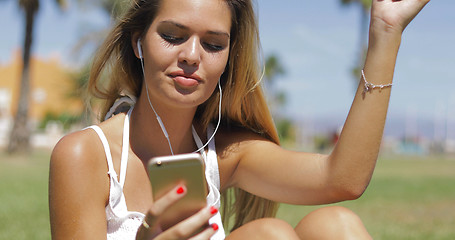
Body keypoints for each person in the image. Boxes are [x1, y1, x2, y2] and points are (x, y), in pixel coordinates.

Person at [49, 0, 430, 239]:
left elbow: (341, 179)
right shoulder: (86, 155)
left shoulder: (226, 154)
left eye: (214, 44)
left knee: (335, 226)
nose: (192, 55)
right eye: (172, 36)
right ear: (138, 42)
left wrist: (386, 32)